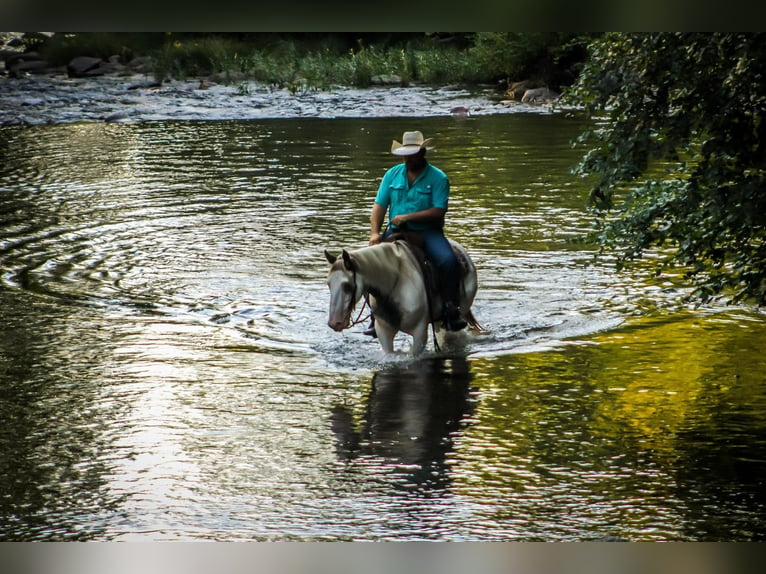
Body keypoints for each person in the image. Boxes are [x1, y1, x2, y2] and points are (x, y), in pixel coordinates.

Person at [367, 130, 467, 333]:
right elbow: (379, 206)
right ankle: (375, 315)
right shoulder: (392, 175)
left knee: (447, 261)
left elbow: (438, 211)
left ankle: (450, 309)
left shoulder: (438, 178)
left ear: (422, 153)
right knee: (368, 266)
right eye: (406, 154)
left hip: (427, 232)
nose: (409, 158)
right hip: (395, 231)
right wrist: (375, 233)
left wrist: (407, 217)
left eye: (413, 154)